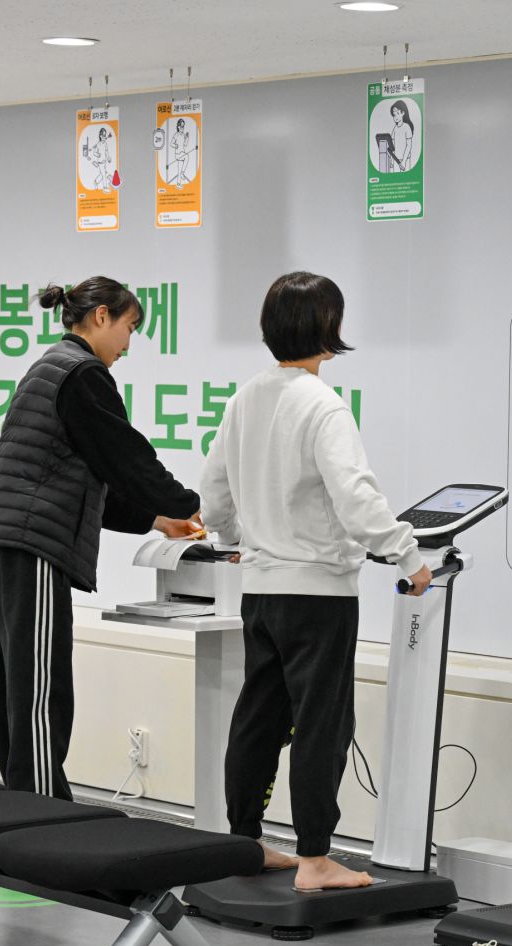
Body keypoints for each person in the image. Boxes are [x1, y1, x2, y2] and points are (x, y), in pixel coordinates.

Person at [200, 271, 431, 890]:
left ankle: (245, 839)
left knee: (259, 715)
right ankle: (315, 859)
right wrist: (408, 557)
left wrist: (234, 538)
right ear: (328, 328)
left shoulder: (245, 398)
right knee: (321, 722)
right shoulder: (322, 404)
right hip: (319, 594)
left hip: (260, 590)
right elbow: (355, 497)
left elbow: (213, 493)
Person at [0, 276, 203, 801]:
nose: (129, 344)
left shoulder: (51, 366)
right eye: (129, 327)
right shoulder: (83, 374)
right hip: (32, 546)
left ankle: (23, 806)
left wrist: (158, 520)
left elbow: (82, 482)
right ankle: (40, 816)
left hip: (5, 540)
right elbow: (127, 459)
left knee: (15, 689)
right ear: (101, 316)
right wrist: (188, 504)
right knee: (40, 693)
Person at [389, 100, 414, 171]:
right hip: (396, 160)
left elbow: (409, 145)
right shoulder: (395, 128)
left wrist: (404, 161)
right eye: (394, 115)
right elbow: (392, 144)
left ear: (403, 113)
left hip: (405, 160)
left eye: (397, 113)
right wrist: (391, 159)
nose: (395, 117)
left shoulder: (407, 127)